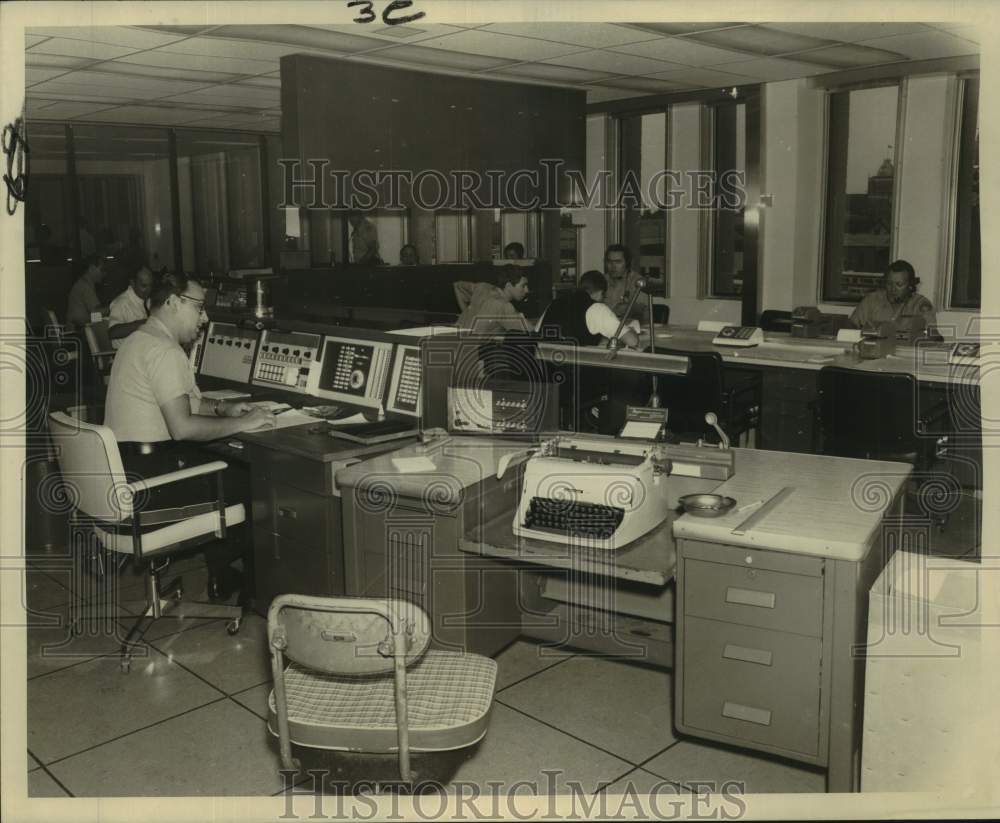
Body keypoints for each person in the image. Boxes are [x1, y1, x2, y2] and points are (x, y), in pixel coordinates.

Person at [104, 272, 274, 598]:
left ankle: (221, 576)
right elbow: (183, 426)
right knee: (255, 486)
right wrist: (246, 422)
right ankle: (254, 593)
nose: (205, 317)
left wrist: (223, 409)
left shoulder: (139, 341)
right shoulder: (166, 351)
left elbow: (187, 401)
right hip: (152, 488)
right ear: (172, 302)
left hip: (130, 476)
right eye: (199, 308)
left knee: (225, 470)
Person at [538, 270, 640, 349]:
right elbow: (633, 341)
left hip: (551, 370)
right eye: (603, 297)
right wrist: (631, 330)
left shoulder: (554, 303)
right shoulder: (596, 308)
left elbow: (537, 333)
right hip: (583, 370)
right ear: (601, 293)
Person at [849, 259, 937, 336]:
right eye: (889, 283)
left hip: (905, 353)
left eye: (899, 284)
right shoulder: (871, 300)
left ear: (910, 286)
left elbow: (932, 336)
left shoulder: (920, 305)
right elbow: (850, 327)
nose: (892, 289)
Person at [453, 266, 531, 334]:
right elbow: (531, 330)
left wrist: (466, 313)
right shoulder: (504, 306)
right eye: (523, 286)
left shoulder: (482, 287)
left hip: (453, 338)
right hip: (471, 348)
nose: (527, 290)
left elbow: (457, 285)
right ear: (508, 285)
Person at [108, 266, 154, 348]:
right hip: (126, 355)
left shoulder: (148, 300)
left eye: (150, 285)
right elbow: (113, 332)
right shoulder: (121, 303)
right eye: (144, 286)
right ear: (132, 283)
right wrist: (145, 322)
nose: (148, 290)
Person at [603, 244, 650, 323]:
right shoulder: (601, 280)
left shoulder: (638, 282)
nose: (613, 266)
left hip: (630, 328)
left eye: (618, 262)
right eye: (609, 261)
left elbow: (643, 311)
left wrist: (630, 308)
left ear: (627, 263)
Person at [65, 255, 108, 330]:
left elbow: (92, 316)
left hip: (77, 328)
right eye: (102, 269)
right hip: (78, 331)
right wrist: (113, 307)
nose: (105, 274)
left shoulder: (82, 283)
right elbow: (96, 313)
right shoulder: (85, 287)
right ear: (91, 268)